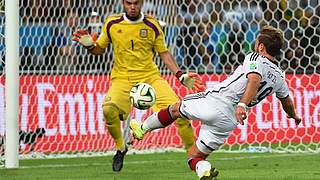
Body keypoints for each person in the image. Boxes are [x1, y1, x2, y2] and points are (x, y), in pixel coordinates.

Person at [130, 26, 302, 179]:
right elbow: (286, 100)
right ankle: (203, 169)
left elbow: (254, 80)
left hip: (217, 102)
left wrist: (242, 104)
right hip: (228, 121)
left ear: (261, 46)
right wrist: (293, 116)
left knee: (175, 109)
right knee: (194, 157)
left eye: (256, 42)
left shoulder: (255, 57)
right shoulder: (280, 76)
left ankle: (142, 129)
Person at [72, 0, 204, 172]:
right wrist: (89, 45)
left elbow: (163, 53)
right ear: (123, 3)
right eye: (128, 3)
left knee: (181, 112)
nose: (132, 7)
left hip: (150, 77)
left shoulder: (152, 25)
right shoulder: (112, 23)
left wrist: (180, 75)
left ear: (141, 3)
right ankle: (121, 148)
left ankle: (194, 157)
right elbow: (99, 49)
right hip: (122, 78)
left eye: (135, 3)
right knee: (108, 110)